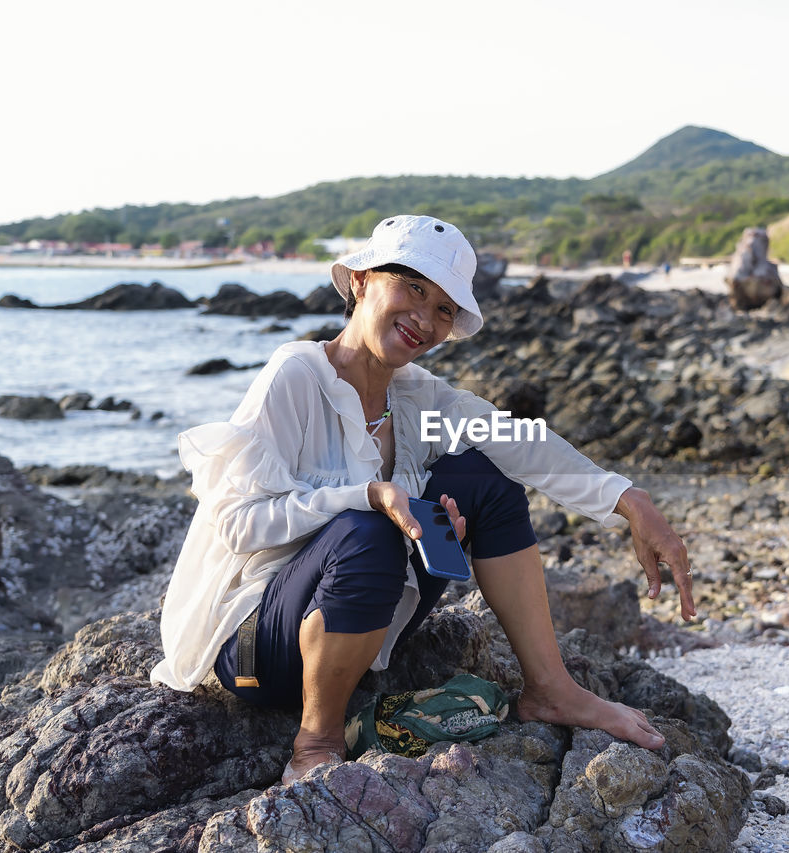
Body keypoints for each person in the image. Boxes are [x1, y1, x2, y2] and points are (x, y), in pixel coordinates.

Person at [151, 214, 695, 783]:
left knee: (485, 481)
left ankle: (551, 688)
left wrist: (632, 501)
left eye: (443, 309)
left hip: (354, 629)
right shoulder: (296, 377)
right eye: (412, 288)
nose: (425, 319)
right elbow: (238, 522)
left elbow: (521, 441)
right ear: (361, 280)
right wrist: (370, 496)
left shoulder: (416, 400)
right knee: (369, 524)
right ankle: (315, 744)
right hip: (255, 652)